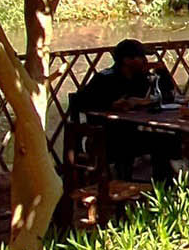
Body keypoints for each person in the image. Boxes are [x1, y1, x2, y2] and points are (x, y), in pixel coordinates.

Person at [70, 39, 179, 182]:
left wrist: (163, 72)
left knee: (171, 140)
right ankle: (162, 185)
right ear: (127, 60)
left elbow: (168, 95)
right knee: (162, 143)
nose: (146, 61)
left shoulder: (140, 77)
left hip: (130, 133)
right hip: (108, 139)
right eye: (141, 57)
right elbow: (79, 101)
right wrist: (111, 104)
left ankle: (164, 183)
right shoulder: (105, 79)